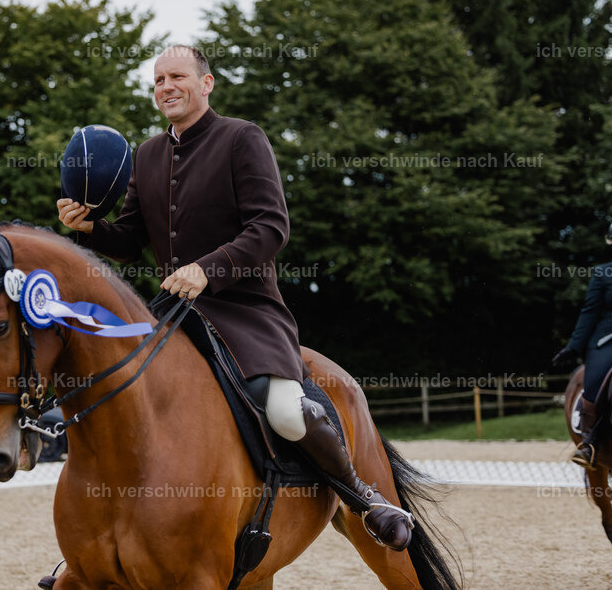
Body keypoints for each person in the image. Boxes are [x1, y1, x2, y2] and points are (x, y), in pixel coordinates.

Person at [56, 45, 413, 551]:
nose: (165, 87)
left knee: (287, 411)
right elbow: (129, 237)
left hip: (245, 312)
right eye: (158, 80)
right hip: (174, 312)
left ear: (207, 83)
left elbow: (271, 227)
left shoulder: (242, 138)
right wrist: (89, 226)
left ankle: (363, 496)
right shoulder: (150, 154)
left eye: (177, 76)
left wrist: (208, 269)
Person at [553, 216, 612, 469]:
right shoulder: (603, 273)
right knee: (595, 383)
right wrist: (574, 345)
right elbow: (589, 312)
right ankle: (590, 443)